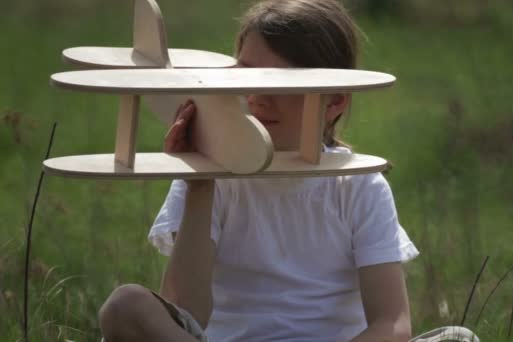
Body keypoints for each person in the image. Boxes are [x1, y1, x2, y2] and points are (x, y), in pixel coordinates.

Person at [98, 0, 419, 341]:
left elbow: (393, 324)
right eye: (248, 75)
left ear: (335, 100)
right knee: (125, 304)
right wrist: (200, 184)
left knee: (457, 336)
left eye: (279, 82)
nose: (258, 97)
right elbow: (186, 314)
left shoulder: (358, 185)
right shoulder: (212, 178)